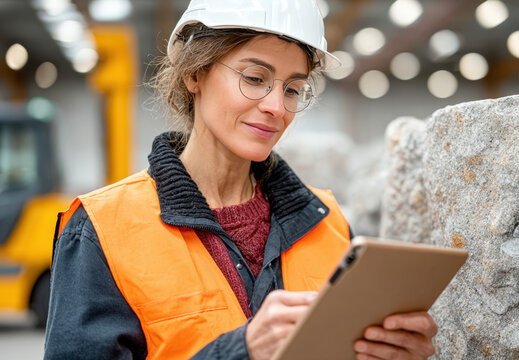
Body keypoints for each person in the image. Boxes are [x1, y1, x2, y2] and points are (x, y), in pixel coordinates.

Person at [44, 1, 438, 359]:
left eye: (293, 89)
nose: (276, 107)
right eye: (254, 78)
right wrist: (239, 352)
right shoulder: (102, 229)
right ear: (194, 74)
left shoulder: (329, 222)